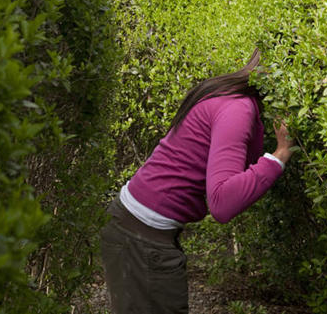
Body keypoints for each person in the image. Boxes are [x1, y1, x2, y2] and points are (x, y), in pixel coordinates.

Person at [100, 48, 296, 313]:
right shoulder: (238, 109)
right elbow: (222, 203)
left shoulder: (231, 97)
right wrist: (280, 155)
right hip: (139, 240)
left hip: (136, 232)